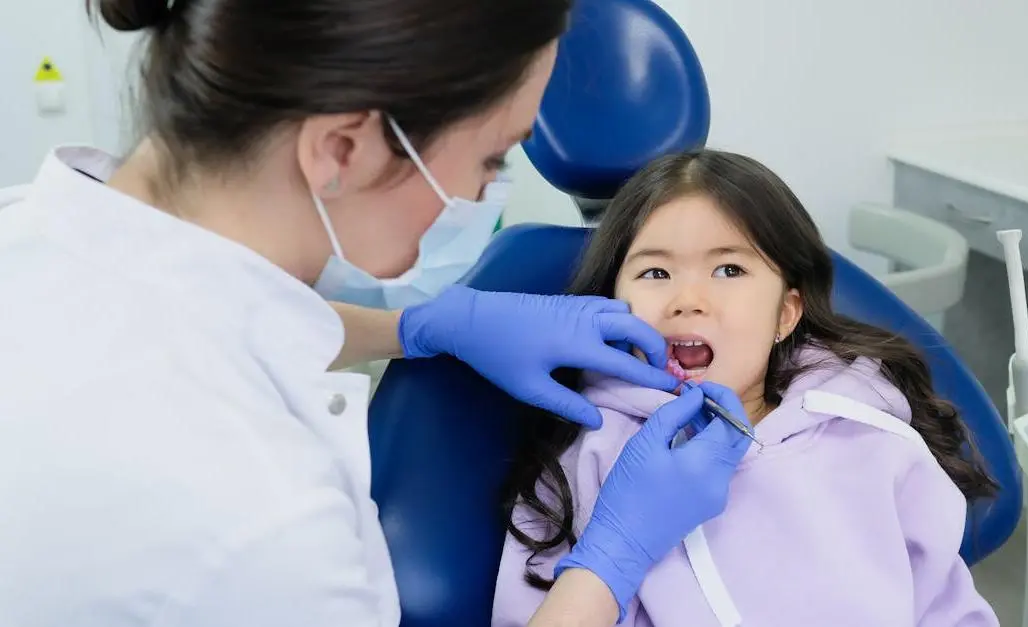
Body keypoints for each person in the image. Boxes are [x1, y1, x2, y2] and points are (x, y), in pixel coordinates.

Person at [0, 1, 751, 625]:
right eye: (495, 157)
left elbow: (196, 313)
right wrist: (609, 560)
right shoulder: (263, 525)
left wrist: (419, 326)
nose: (490, 189)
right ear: (341, 149)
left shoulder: (31, 233)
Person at [493, 150, 1003, 626]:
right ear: (611, 307)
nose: (687, 299)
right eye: (655, 271)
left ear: (785, 314)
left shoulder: (867, 434)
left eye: (729, 269)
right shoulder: (586, 459)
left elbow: (948, 608)